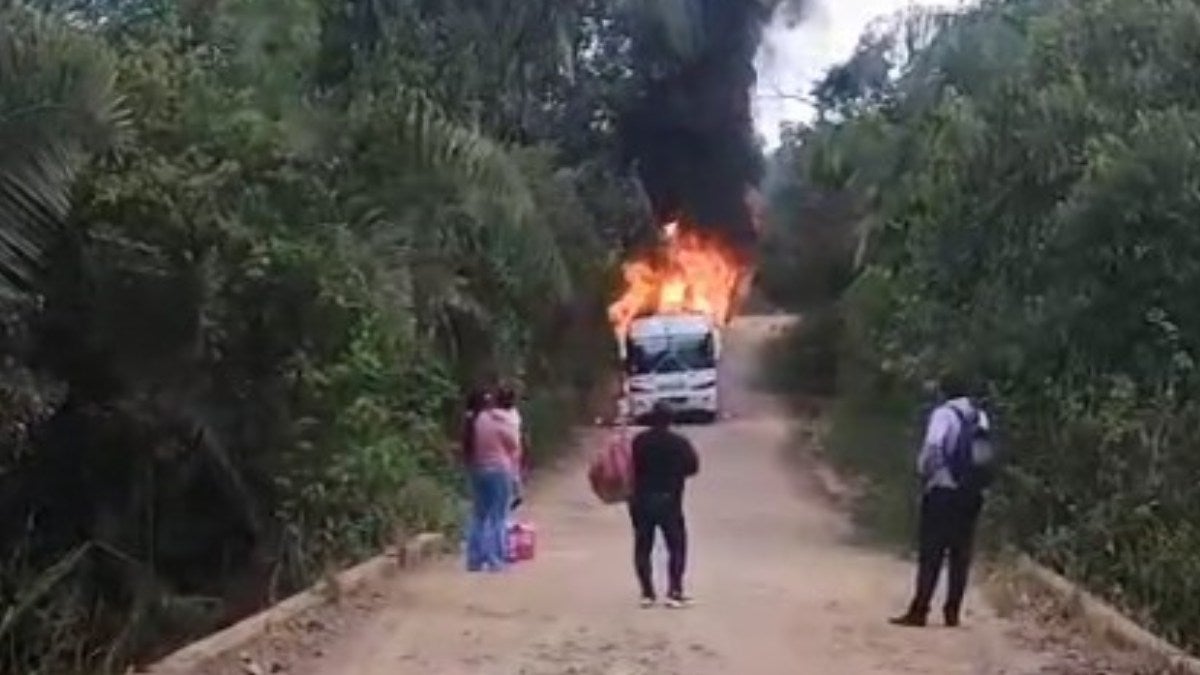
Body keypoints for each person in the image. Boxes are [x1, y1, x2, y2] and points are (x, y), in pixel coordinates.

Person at [891, 374, 993, 628]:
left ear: (943, 392)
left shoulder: (943, 414)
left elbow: (934, 448)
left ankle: (920, 610)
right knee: (961, 554)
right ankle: (952, 612)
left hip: (943, 492)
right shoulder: (980, 417)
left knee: (932, 553)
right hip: (971, 494)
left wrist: (931, 477)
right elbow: (984, 456)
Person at [629, 401, 700, 608]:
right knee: (676, 546)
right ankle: (674, 591)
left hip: (641, 500)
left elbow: (628, 466)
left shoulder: (639, 441)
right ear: (671, 420)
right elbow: (693, 468)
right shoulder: (679, 443)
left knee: (643, 547)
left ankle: (647, 593)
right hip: (670, 500)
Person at [463, 388, 520, 572]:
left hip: (478, 469)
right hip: (499, 470)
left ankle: (474, 559)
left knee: (478, 514)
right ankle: (496, 559)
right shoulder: (501, 421)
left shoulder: (480, 419)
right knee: (498, 516)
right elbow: (514, 444)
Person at [494, 382, 525, 510]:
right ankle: (517, 493)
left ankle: (516, 494)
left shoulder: (491, 415)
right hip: (510, 453)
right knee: (513, 473)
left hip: (498, 457)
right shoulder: (514, 415)